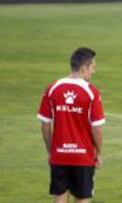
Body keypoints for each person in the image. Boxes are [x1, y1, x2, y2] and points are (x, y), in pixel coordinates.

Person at [37, 47, 105, 203]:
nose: (93, 72)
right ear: (83, 68)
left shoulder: (52, 88)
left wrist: (50, 151)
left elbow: (45, 125)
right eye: (92, 67)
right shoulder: (91, 92)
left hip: (59, 155)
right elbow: (96, 128)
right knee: (82, 198)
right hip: (83, 157)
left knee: (60, 196)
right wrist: (99, 153)